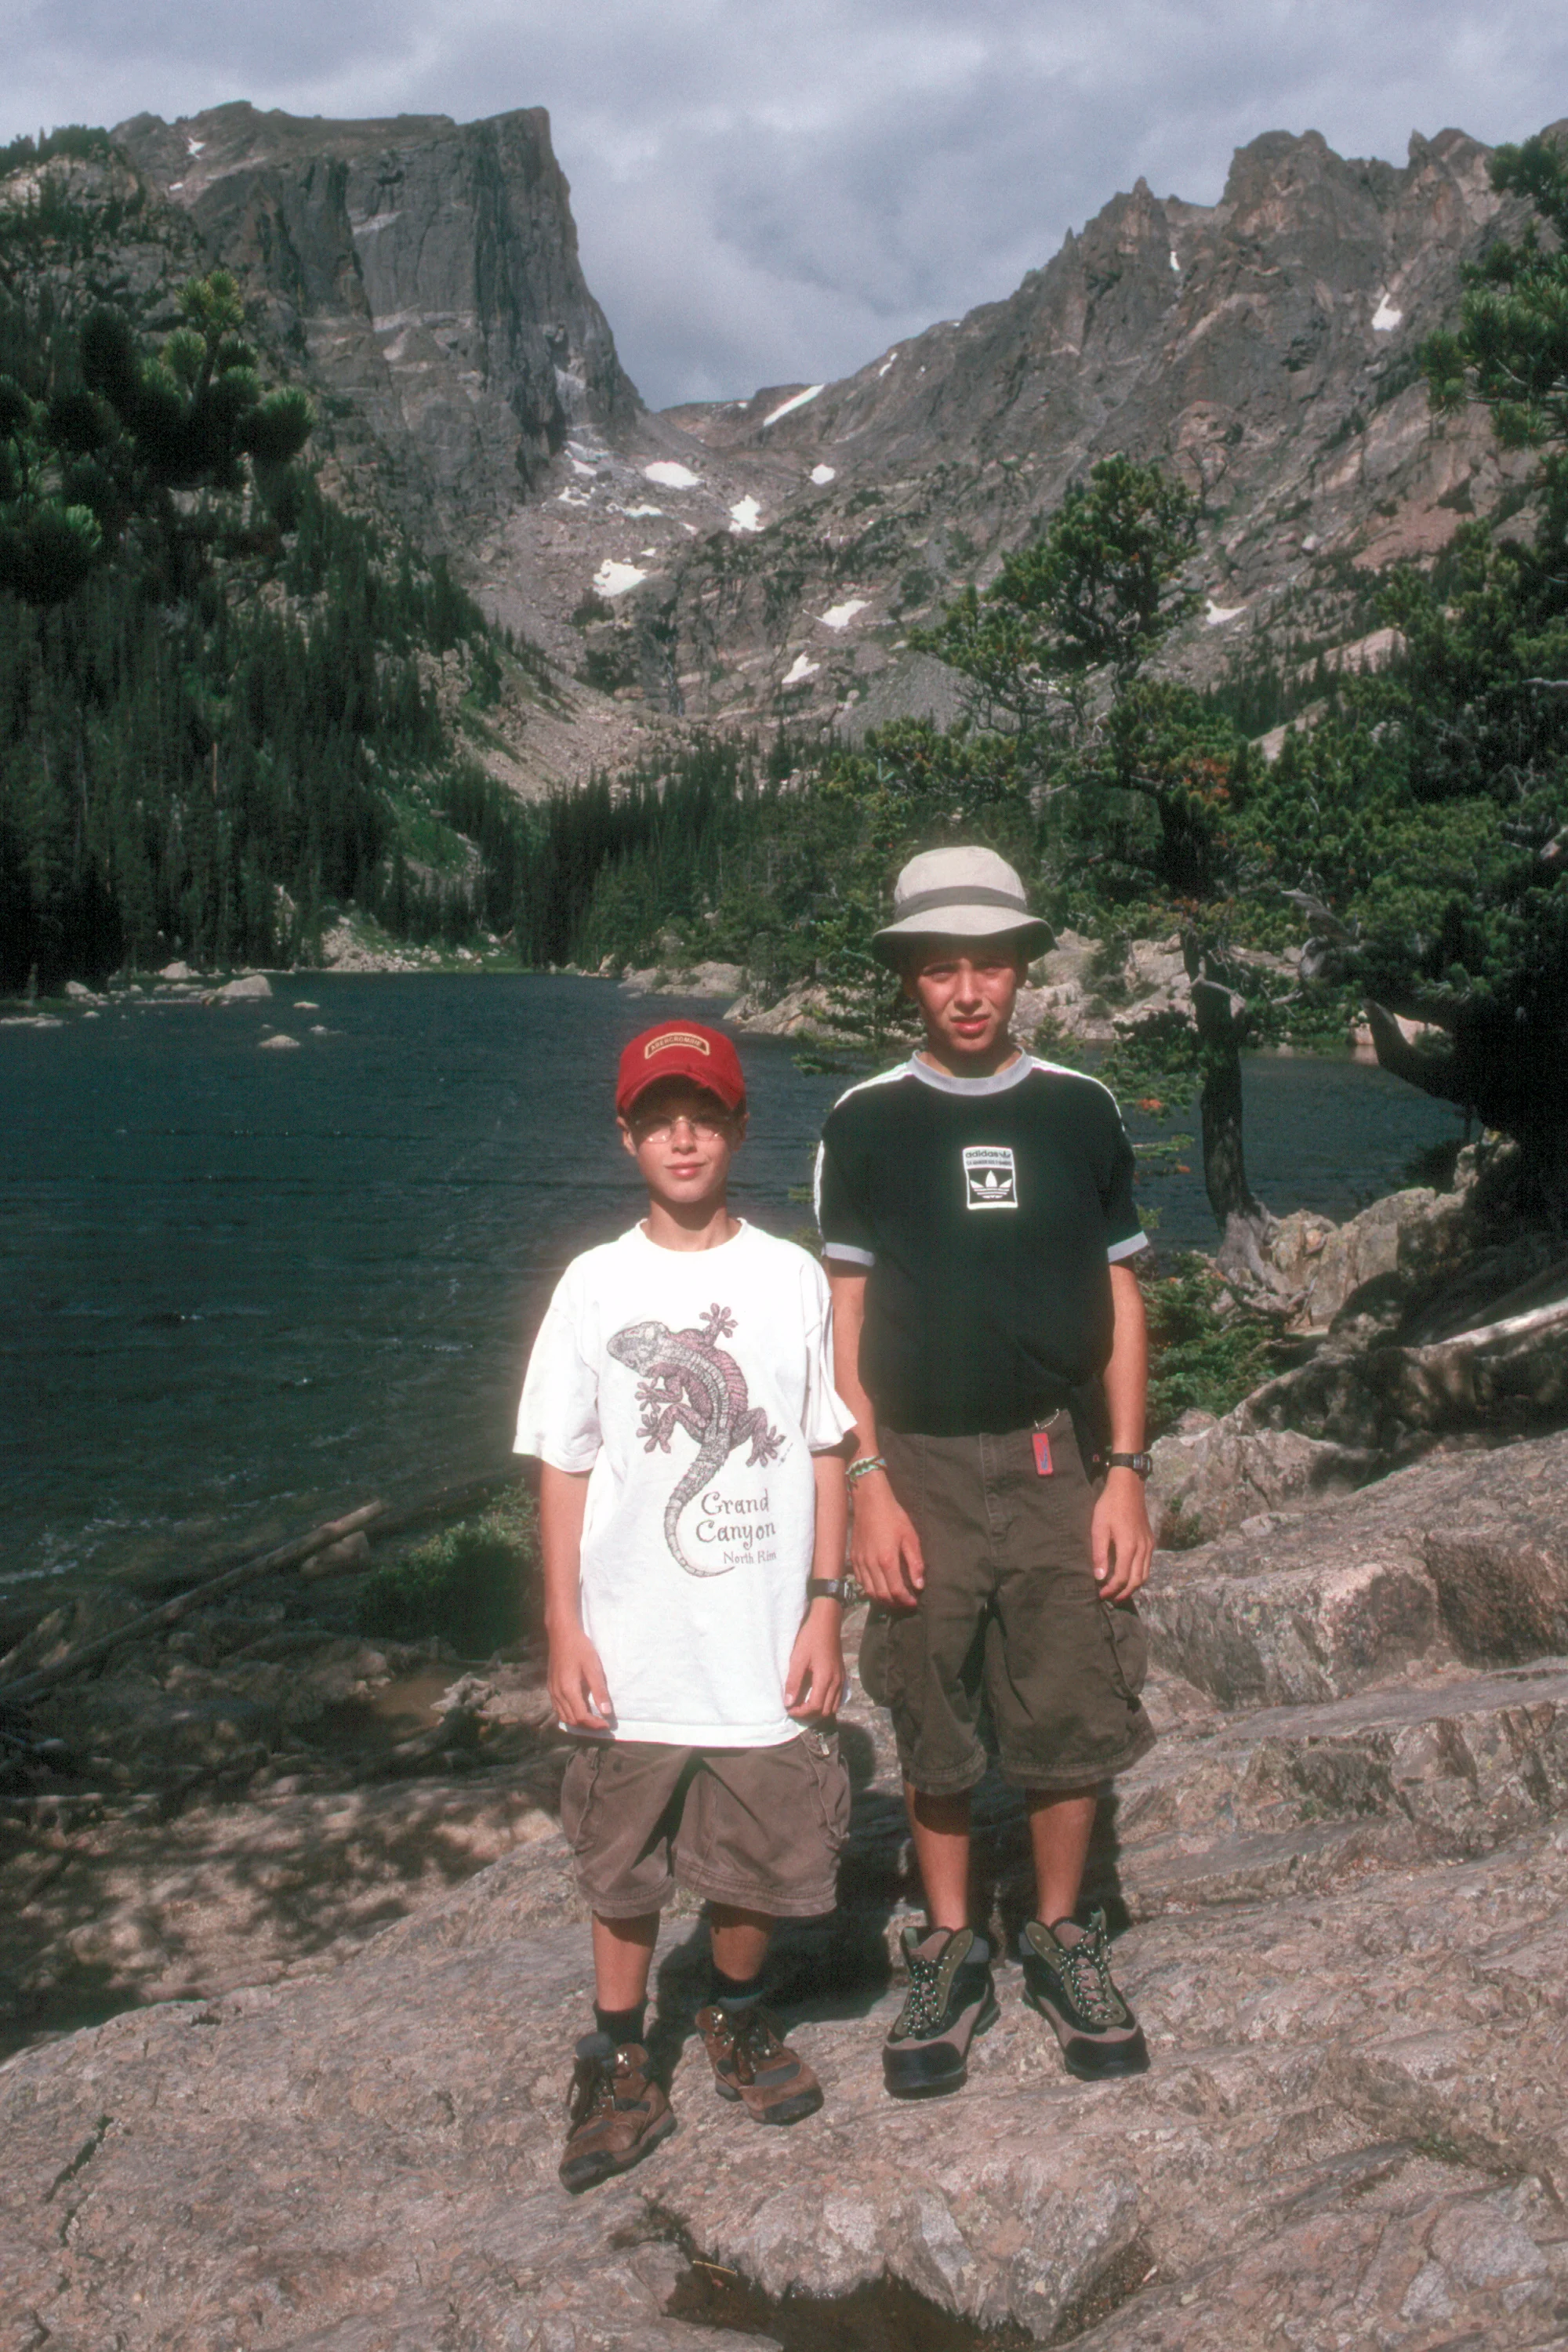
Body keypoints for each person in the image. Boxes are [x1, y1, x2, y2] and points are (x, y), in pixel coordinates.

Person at [814, 845, 1156, 2099]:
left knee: (1069, 1706)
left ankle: (1064, 1937)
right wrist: (865, 1480)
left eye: (990, 964)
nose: (968, 990)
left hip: (1054, 1455)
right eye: (942, 966)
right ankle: (952, 1946)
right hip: (918, 1466)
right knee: (932, 1708)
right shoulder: (867, 1122)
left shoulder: (1079, 1109)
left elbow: (1119, 1294)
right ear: (911, 976)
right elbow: (841, 1320)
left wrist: (1124, 1469)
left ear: (1021, 969)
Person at [516, 1018, 855, 2191]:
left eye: (704, 1114)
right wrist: (562, 1621)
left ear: (740, 1128)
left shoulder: (787, 1276)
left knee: (755, 1850)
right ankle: (618, 2056)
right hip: (635, 1642)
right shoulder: (595, 1287)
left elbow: (822, 1445)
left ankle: (736, 2012)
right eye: (660, 1116)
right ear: (626, 1136)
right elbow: (562, 1462)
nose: (683, 1135)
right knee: (623, 1861)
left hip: (762, 1635)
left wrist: (825, 1604)